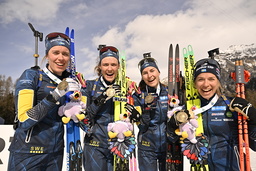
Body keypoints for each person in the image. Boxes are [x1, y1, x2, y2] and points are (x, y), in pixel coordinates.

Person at [7, 32, 81, 171]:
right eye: (56, 52)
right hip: (27, 154)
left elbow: (77, 119)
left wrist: (79, 107)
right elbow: (23, 120)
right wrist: (55, 95)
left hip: (55, 154)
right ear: (47, 55)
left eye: (65, 54)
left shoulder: (70, 82)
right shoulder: (31, 76)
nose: (61, 58)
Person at [170, 58, 256, 170]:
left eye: (211, 79)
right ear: (195, 83)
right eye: (200, 79)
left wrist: (254, 117)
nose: (206, 84)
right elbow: (172, 141)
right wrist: (172, 125)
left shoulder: (232, 105)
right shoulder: (188, 109)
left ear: (218, 81)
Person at [126, 54, 168, 171]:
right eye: (145, 73)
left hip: (168, 146)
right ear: (142, 77)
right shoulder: (139, 96)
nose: (149, 75)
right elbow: (143, 127)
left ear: (158, 72)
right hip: (147, 147)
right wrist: (146, 111)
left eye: (152, 70)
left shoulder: (168, 92)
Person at [83, 45, 121, 170]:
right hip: (95, 145)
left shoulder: (125, 87)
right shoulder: (89, 86)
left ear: (118, 67)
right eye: (105, 65)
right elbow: (85, 117)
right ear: (100, 66)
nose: (109, 69)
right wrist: (102, 98)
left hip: (118, 145)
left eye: (113, 65)